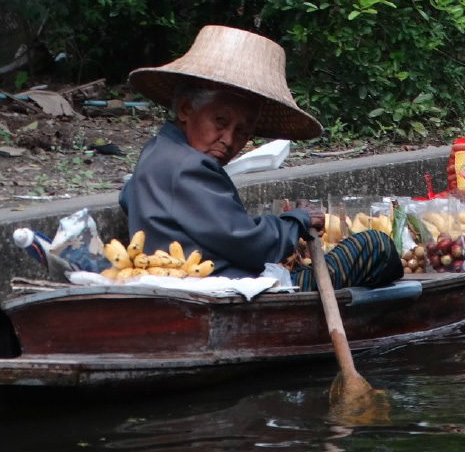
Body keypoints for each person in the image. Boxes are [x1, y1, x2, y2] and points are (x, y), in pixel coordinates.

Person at [119, 25, 402, 291]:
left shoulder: (156, 151)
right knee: (375, 246)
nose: (229, 140)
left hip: (204, 279)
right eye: (220, 121)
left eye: (242, 131)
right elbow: (247, 243)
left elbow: (129, 197)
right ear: (185, 109)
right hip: (228, 289)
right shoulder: (189, 166)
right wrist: (297, 221)